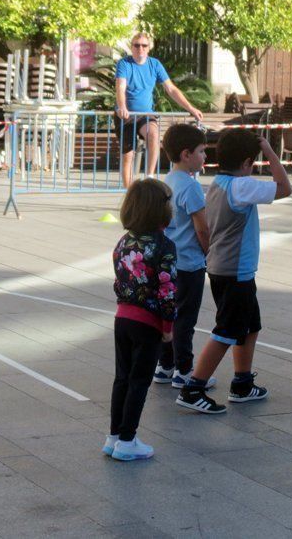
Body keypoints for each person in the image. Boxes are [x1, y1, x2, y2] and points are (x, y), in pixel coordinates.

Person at [175, 130, 292, 414]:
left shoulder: (219, 182)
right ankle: (193, 388)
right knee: (226, 330)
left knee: (250, 327)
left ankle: (242, 383)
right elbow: (284, 188)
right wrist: (270, 151)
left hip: (225, 268)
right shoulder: (242, 186)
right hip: (234, 271)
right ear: (247, 162)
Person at [104, 178, 177, 461]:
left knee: (122, 378)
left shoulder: (124, 242)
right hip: (148, 322)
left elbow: (119, 279)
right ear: (161, 210)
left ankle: (113, 437)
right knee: (139, 381)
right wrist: (168, 327)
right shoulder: (164, 245)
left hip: (122, 318)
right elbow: (167, 288)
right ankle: (127, 440)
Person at [153, 124, 216, 390]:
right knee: (185, 319)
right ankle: (185, 370)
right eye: (202, 151)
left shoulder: (166, 181)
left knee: (168, 315)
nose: (205, 157)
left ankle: (165, 365)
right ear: (186, 154)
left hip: (168, 262)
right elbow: (202, 228)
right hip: (189, 263)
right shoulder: (191, 187)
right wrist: (209, 251)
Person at [115, 32, 204, 189]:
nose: (140, 48)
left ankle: (149, 178)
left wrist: (191, 108)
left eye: (144, 45)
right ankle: (129, 192)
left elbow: (171, 89)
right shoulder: (124, 63)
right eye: (137, 45)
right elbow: (120, 87)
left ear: (149, 48)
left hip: (145, 114)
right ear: (132, 47)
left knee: (154, 134)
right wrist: (122, 107)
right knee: (128, 155)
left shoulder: (154, 64)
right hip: (126, 115)